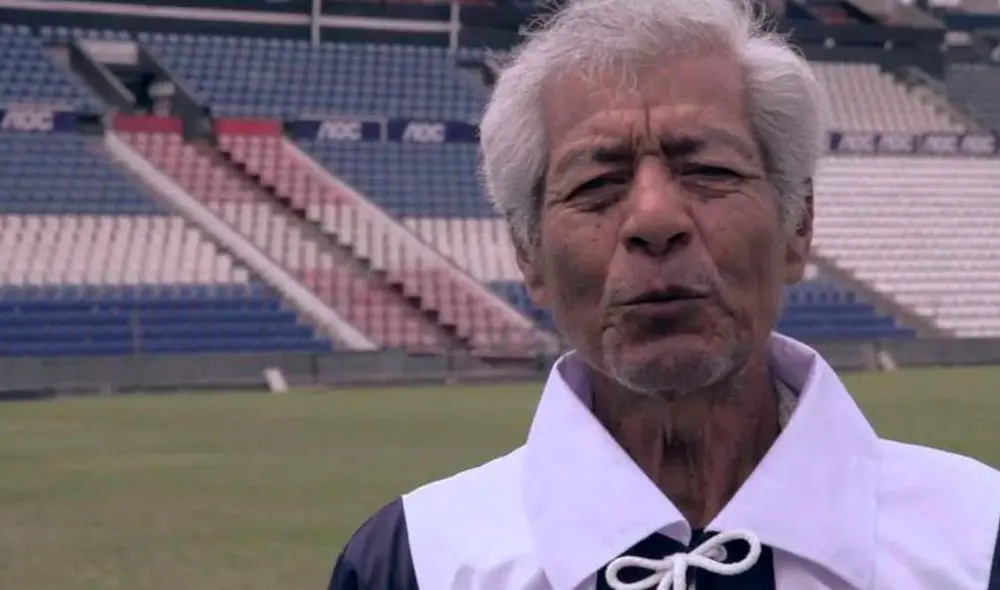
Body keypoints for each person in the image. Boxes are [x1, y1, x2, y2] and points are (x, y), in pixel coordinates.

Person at [327, 0, 1000, 588]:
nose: (654, 220)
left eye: (708, 170)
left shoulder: (979, 542)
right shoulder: (417, 564)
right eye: (595, 186)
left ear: (797, 226)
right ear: (528, 256)